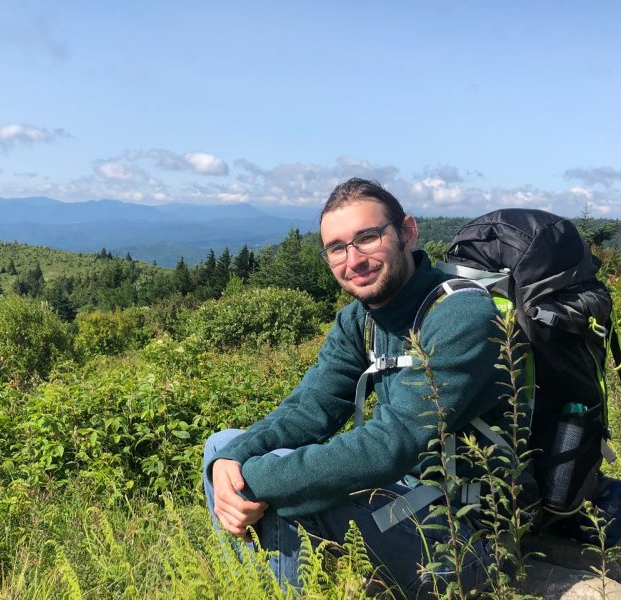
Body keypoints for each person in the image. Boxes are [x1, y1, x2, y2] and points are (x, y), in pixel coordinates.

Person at [202, 178, 517, 596]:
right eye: (336, 247)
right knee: (222, 446)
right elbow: (309, 409)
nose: (354, 259)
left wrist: (255, 480)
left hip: (468, 534)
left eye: (367, 237)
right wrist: (234, 460)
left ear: (407, 231)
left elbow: (392, 444)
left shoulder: (460, 313)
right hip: (404, 500)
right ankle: (255, 588)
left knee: (278, 491)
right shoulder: (360, 319)